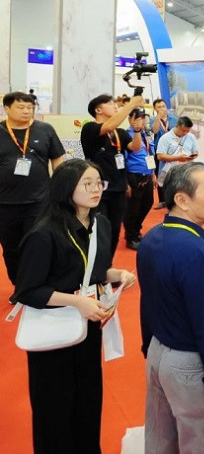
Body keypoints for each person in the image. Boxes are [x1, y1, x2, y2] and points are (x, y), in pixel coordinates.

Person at [13, 159, 137, 454]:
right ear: (66, 188)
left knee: (88, 397)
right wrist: (76, 301)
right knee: (54, 407)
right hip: (53, 330)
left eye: (98, 183)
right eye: (87, 184)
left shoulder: (101, 224)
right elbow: (28, 291)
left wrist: (117, 275)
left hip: (88, 324)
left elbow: (96, 271)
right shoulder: (44, 232)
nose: (96, 189)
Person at [137, 162, 204, 453]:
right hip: (188, 364)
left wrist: (149, 349)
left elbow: (148, 302)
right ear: (182, 200)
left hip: (158, 352)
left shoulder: (152, 237)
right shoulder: (195, 251)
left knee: (161, 440)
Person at [0, 92, 64, 293]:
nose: (26, 111)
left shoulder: (45, 130)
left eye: (30, 107)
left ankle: (36, 285)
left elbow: (57, 158)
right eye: (21, 107)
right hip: (5, 204)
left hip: (39, 201)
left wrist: (58, 187)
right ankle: (19, 286)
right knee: (11, 248)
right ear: (7, 108)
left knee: (37, 244)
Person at [80, 93, 144, 257]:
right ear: (98, 110)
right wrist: (131, 104)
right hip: (98, 189)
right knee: (100, 229)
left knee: (115, 229)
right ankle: (95, 265)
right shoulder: (90, 128)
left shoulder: (119, 132)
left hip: (118, 188)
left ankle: (107, 265)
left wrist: (137, 130)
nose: (115, 106)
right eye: (110, 104)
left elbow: (135, 147)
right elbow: (108, 126)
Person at [123, 108, 156, 250]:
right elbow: (122, 161)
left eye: (143, 118)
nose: (141, 121)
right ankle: (131, 236)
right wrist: (125, 182)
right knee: (132, 208)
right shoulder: (126, 136)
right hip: (133, 177)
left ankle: (136, 230)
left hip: (147, 175)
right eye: (137, 118)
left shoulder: (145, 134)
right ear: (130, 119)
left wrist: (153, 174)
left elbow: (149, 155)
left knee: (147, 203)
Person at [155, 116, 198, 191]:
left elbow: (195, 151)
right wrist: (178, 158)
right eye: (183, 130)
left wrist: (192, 156)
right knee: (167, 196)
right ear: (177, 125)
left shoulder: (191, 137)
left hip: (185, 174)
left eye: (188, 131)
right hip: (168, 175)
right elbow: (160, 156)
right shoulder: (165, 138)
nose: (185, 133)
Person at [150, 98, 179, 209]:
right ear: (155, 109)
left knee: (173, 176)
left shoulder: (174, 119)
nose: (162, 109)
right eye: (159, 107)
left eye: (163, 106)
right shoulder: (153, 119)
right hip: (159, 152)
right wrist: (158, 117)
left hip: (172, 152)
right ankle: (162, 201)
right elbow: (155, 131)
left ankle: (173, 199)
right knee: (160, 176)